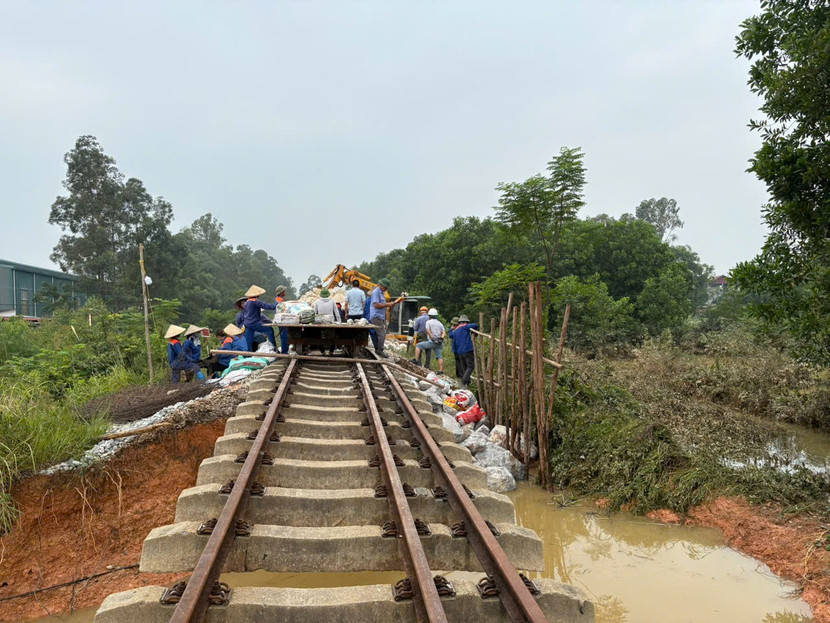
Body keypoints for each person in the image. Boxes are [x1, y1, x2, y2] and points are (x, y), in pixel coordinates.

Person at [369, 278, 403, 357]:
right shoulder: (376, 292)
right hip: (376, 316)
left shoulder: (382, 293)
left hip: (380, 316)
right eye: (385, 287)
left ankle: (378, 349)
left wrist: (390, 305)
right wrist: (387, 304)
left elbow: (382, 305)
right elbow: (376, 305)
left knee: (380, 333)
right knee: (382, 333)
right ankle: (380, 351)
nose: (386, 289)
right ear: (382, 286)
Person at [240, 285, 277, 351]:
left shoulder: (246, 303)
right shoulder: (255, 301)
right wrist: (275, 307)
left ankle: (248, 354)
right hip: (254, 322)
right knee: (269, 330)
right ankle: (273, 347)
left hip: (247, 324)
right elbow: (265, 305)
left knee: (249, 341)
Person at [449, 315, 479, 387]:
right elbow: (475, 325)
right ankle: (464, 381)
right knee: (471, 366)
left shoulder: (455, 332)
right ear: (465, 322)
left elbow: (450, 335)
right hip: (468, 350)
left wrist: (450, 329)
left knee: (464, 368)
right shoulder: (465, 327)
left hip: (459, 353)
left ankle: (467, 384)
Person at [416, 308, 446, 373]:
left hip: (432, 341)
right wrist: (441, 338)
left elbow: (428, 330)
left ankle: (416, 360)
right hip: (439, 342)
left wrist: (432, 337)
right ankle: (441, 370)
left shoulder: (428, 322)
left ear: (429, 316)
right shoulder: (439, 323)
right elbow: (444, 332)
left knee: (418, 346)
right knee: (440, 356)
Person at [274, 285, 290, 354]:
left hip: (280, 320)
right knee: (284, 336)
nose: (285, 292)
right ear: (281, 292)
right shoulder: (280, 301)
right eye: (284, 291)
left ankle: (285, 350)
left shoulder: (278, 299)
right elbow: (283, 311)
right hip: (282, 320)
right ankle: (284, 352)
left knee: (283, 335)